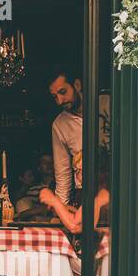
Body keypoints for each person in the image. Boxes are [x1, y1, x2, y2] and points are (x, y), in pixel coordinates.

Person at [47, 67, 84, 208]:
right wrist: (60, 208)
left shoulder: (106, 104)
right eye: (55, 96)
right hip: (83, 193)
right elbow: (63, 173)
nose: (59, 101)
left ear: (77, 85)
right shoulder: (59, 125)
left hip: (116, 188)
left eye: (62, 92)